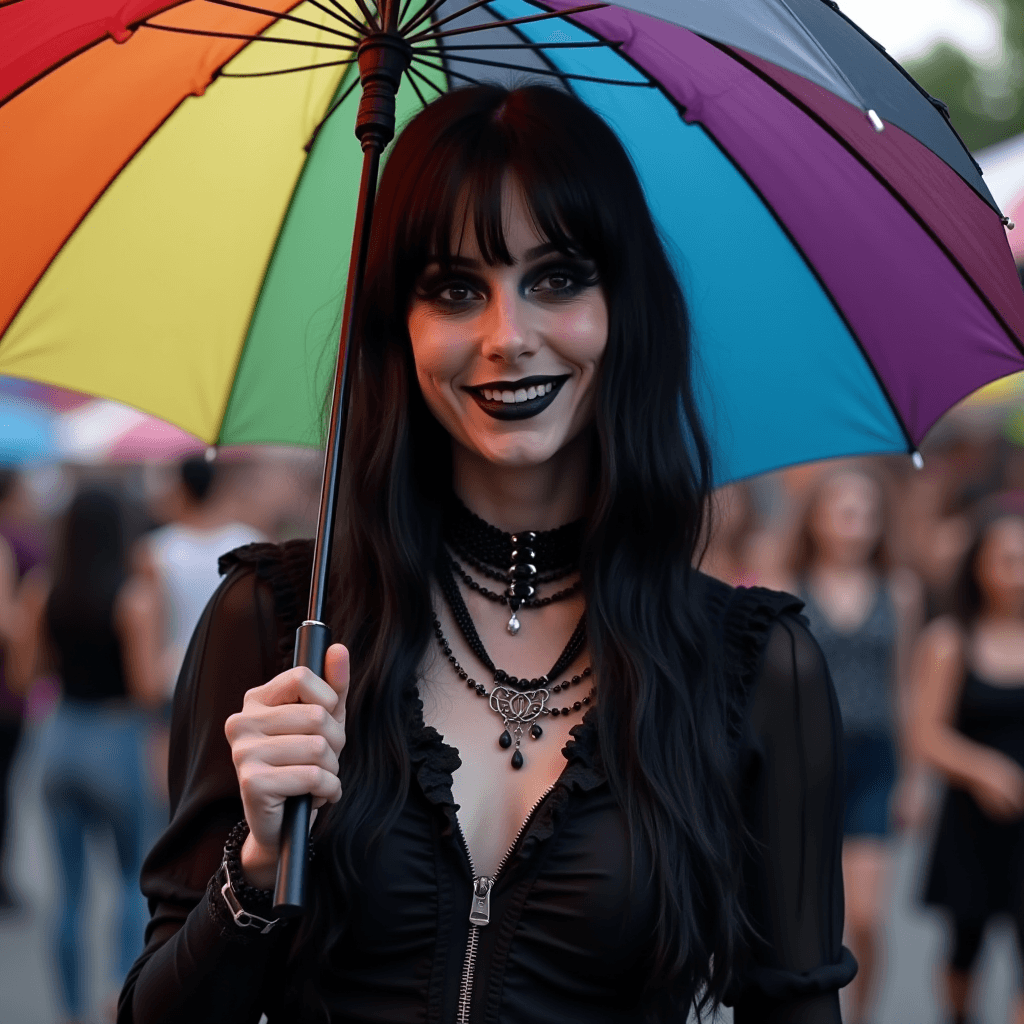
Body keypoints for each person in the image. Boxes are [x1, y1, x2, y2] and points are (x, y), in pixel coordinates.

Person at [120, 84, 856, 1023]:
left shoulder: (755, 669)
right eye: (455, 289)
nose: (509, 336)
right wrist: (255, 869)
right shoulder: (274, 624)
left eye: (556, 278)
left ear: (622, 307)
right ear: (399, 327)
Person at [777, 466, 922, 1024]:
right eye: (841, 508)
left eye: (865, 509)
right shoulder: (789, 583)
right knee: (809, 915)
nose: (854, 520)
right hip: (804, 761)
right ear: (814, 519)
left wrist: (912, 780)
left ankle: (862, 1014)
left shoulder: (900, 591)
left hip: (874, 760)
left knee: (866, 914)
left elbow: (904, 687)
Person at [24, 488, 165, 1024]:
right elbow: (147, 686)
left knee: (68, 892)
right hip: (117, 734)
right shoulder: (134, 596)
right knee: (132, 876)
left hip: (60, 734)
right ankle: (119, 996)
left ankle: (70, 1009)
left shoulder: (43, 590)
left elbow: (25, 673)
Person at [914, 510, 1024, 1024]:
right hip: (971, 818)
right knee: (966, 945)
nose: (1018, 570)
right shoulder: (949, 640)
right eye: (1006, 558)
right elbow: (924, 734)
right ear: (978, 566)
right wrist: (985, 771)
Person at [146, 456, 265, 703]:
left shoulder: (156, 550)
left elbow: (152, 624)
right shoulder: (250, 544)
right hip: (236, 676)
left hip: (177, 676)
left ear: (181, 489)